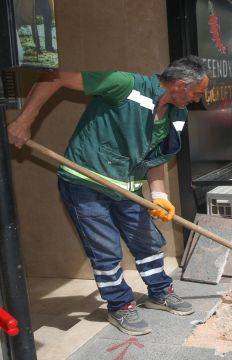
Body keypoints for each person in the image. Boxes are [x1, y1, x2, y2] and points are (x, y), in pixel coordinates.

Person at [7, 56, 209, 336]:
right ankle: (120, 304)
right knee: (106, 250)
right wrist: (24, 120)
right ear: (179, 85)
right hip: (85, 182)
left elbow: (155, 158)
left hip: (127, 187)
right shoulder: (124, 85)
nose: (198, 99)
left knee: (147, 241)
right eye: (197, 92)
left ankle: (159, 291)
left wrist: (160, 195)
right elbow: (54, 76)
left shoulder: (177, 113)